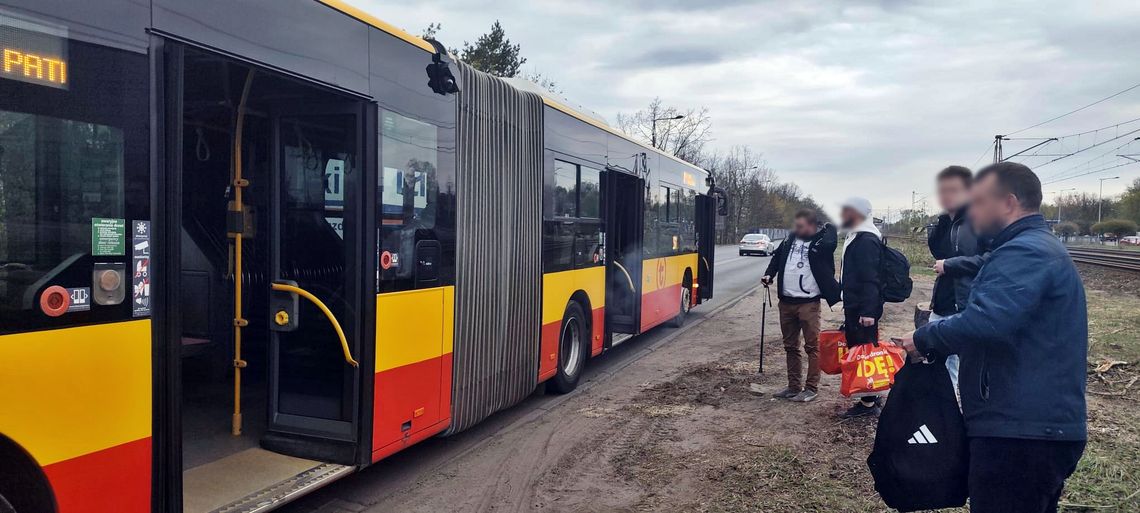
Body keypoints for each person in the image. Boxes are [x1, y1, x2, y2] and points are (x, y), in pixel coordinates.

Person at [898, 162, 1087, 513]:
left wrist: (924, 338)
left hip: (1021, 430)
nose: (973, 210)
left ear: (1008, 202)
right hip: (1025, 424)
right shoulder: (1026, 248)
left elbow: (987, 321)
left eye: (980, 201)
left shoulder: (1025, 252)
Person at [761, 209, 841, 403]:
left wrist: (828, 226)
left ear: (813, 226)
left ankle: (811, 388)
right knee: (790, 346)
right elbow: (776, 259)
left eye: (802, 225)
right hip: (786, 302)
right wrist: (769, 274)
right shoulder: (789, 239)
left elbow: (832, 240)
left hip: (808, 303)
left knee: (812, 346)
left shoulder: (821, 242)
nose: (797, 228)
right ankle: (793, 386)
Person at [926, 165, 987, 390]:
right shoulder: (944, 223)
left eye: (953, 190)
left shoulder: (980, 220)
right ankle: (942, 413)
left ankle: (953, 415)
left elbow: (991, 258)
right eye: (942, 190)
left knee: (956, 365)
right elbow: (938, 254)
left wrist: (951, 265)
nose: (946, 195)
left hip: (964, 304)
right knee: (936, 361)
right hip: (941, 303)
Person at [838, 197, 885, 418]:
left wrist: (868, 311)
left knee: (864, 353)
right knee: (860, 351)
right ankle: (870, 397)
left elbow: (870, 278)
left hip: (861, 309)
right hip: (856, 305)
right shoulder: (857, 235)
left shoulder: (866, 239)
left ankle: (868, 403)